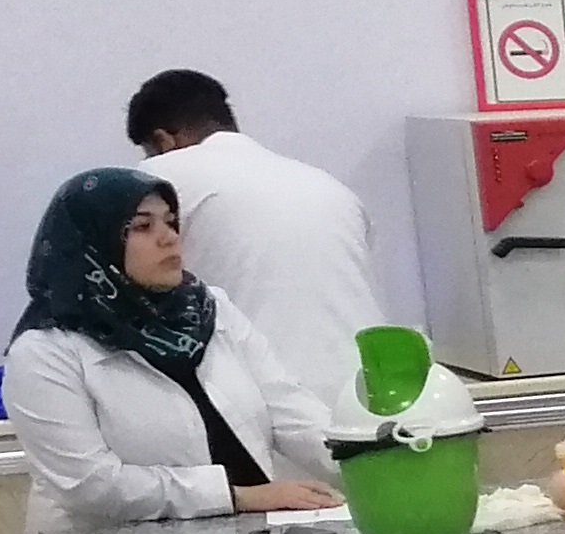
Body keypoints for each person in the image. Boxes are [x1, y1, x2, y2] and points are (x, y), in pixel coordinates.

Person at [4, 167, 335, 534]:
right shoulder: (46, 351)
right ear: (91, 244)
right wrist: (238, 496)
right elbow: (91, 485)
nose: (168, 238)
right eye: (141, 227)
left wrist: (375, 458)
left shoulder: (208, 310)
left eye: (171, 222)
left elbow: (287, 407)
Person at [124, 71, 386, 412]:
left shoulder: (160, 178)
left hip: (268, 401)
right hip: (372, 390)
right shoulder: (327, 185)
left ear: (163, 141)